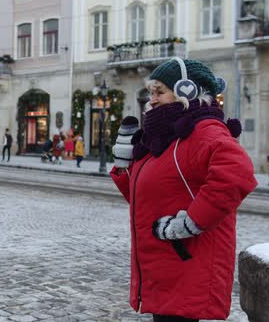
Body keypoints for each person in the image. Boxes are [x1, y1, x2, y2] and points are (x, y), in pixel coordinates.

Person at [110, 58, 257, 322]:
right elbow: (147, 197)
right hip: (165, 263)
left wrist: (192, 222)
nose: (151, 100)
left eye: (159, 92)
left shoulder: (203, 131)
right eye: (150, 92)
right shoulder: (165, 137)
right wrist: (124, 168)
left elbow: (237, 174)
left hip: (187, 261)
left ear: (187, 92)